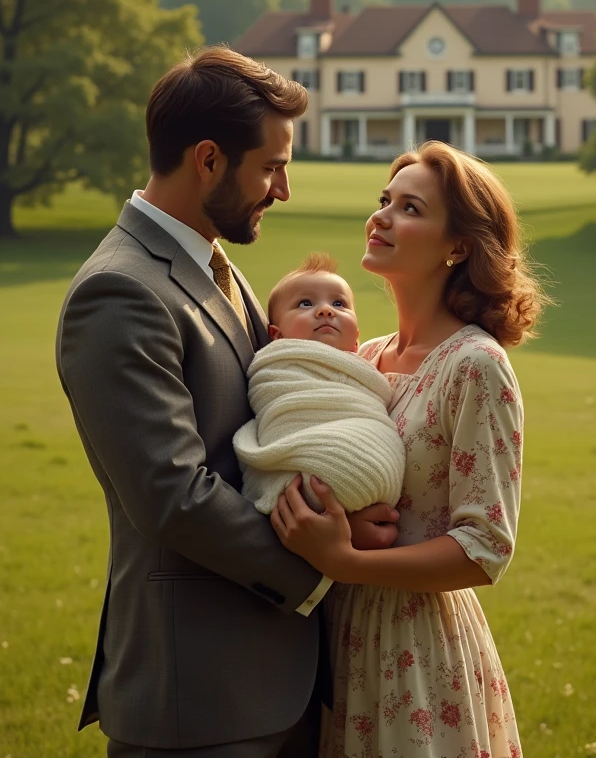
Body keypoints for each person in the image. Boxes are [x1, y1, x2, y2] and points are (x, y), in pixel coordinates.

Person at [55, 46, 399, 758]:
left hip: (285, 681)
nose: (283, 189)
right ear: (208, 159)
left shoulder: (219, 266)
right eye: (271, 167)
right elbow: (171, 492)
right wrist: (325, 558)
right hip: (199, 699)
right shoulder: (118, 292)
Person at [270, 141, 546, 758]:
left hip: (415, 658)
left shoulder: (476, 367)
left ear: (458, 247)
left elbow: (484, 550)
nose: (383, 217)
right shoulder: (362, 359)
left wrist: (348, 561)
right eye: (384, 201)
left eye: (410, 208)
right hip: (334, 641)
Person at [233, 253, 406, 516]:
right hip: (309, 477)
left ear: (356, 340)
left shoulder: (363, 370)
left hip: (372, 462)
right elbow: (277, 408)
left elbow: (369, 409)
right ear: (277, 336)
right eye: (305, 303)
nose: (325, 310)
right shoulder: (277, 367)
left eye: (339, 303)